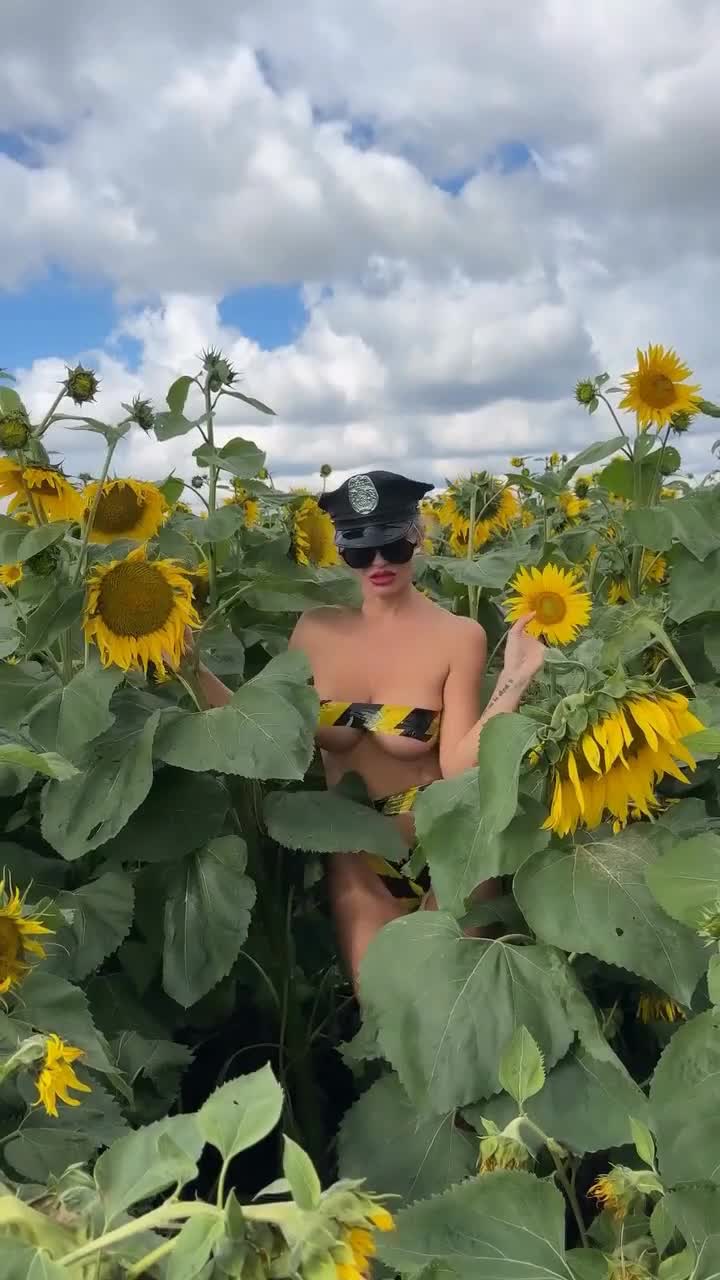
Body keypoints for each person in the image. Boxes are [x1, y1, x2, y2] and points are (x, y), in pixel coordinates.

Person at [187, 469, 545, 986]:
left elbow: (458, 765)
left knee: (450, 1004)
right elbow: (264, 731)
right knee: (379, 1011)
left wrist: (514, 679)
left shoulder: (458, 636)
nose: (378, 562)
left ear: (417, 535)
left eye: (392, 545)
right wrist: (192, 668)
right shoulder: (315, 630)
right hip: (357, 858)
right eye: (359, 549)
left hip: (447, 852)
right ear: (340, 549)